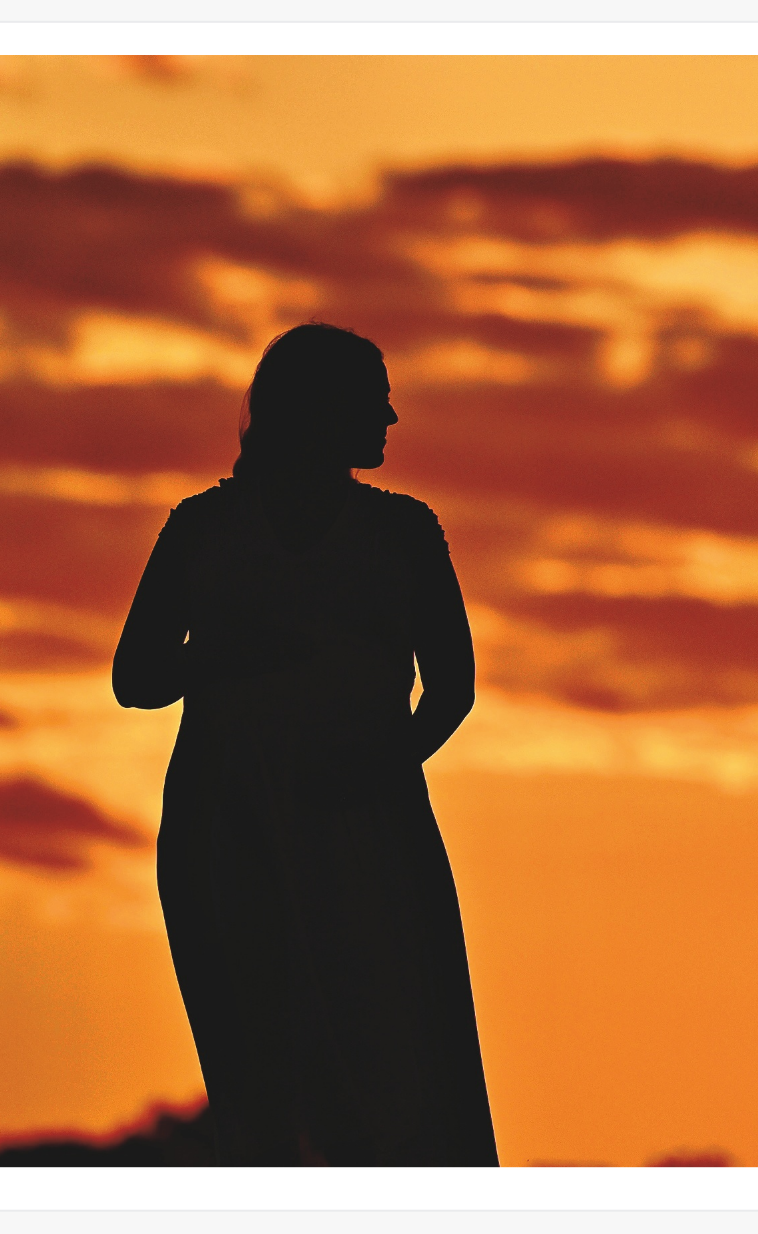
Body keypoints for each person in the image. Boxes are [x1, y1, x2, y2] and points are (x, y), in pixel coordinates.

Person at [113, 323, 497, 1165]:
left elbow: (455, 687)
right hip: (228, 831)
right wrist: (220, 655)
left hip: (372, 838)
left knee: (402, 1078)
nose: (393, 417)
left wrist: (378, 767)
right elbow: (134, 677)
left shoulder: (406, 533)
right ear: (318, 410)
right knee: (259, 1084)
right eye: (373, 398)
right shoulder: (202, 530)